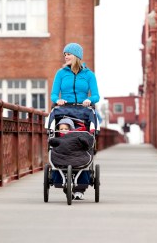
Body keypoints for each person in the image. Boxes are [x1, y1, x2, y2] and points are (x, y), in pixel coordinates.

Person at [50, 43, 100, 200]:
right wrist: (58, 101)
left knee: (82, 141)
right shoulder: (61, 73)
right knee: (60, 131)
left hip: (82, 110)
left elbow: (96, 96)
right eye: (64, 54)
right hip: (64, 110)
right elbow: (53, 95)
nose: (65, 56)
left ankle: (80, 188)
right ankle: (60, 177)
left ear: (77, 56)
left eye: (68, 54)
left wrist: (88, 99)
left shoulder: (89, 75)